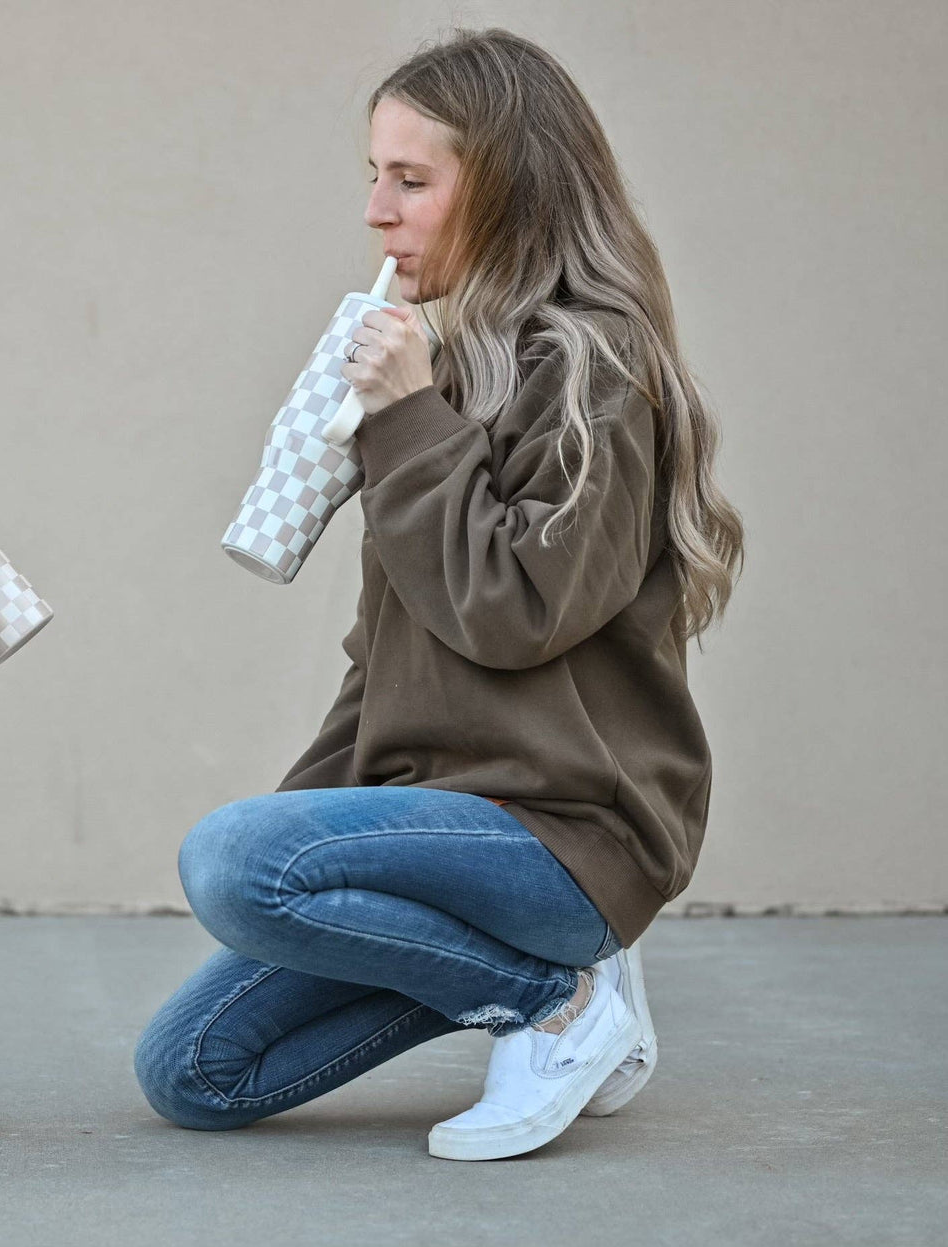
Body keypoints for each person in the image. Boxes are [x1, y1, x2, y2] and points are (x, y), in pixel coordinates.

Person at [135, 29, 744, 1160]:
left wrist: (410, 418)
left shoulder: (591, 366)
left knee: (230, 857)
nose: (376, 211)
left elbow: (510, 615)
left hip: (563, 831)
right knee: (193, 1071)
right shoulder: (442, 360)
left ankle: (553, 1004)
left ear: (509, 186)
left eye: (409, 180)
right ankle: (547, 985)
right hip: (444, 827)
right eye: (372, 177)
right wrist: (315, 838)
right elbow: (391, 654)